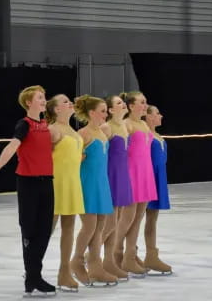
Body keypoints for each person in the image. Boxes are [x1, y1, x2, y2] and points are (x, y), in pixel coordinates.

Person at [0, 85, 56, 297]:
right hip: (28, 184)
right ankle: (33, 277)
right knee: (30, 231)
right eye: (40, 98)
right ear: (29, 103)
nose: (44, 101)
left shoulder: (45, 125)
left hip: (47, 183)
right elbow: (13, 145)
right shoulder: (24, 124)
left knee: (43, 231)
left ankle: (34, 276)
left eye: (44, 97)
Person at [70, 95, 118, 287]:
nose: (106, 114)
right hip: (87, 183)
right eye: (103, 111)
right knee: (89, 225)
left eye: (106, 110)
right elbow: (74, 162)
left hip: (101, 183)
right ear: (92, 113)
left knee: (100, 226)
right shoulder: (83, 134)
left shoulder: (101, 133)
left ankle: (95, 266)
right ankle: (76, 261)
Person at [45, 94, 85, 292]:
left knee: (69, 227)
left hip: (72, 183)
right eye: (65, 102)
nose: (70, 103)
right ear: (56, 109)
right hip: (55, 184)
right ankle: (33, 267)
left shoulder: (72, 130)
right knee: (46, 229)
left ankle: (64, 271)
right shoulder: (52, 130)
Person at [118, 91, 158, 277]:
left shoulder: (143, 124)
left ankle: (129, 257)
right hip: (132, 174)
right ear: (131, 106)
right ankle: (112, 254)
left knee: (138, 219)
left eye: (145, 102)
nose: (145, 105)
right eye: (142, 102)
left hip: (145, 173)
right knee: (127, 219)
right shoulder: (126, 125)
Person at [99, 95, 134, 282]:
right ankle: (89, 258)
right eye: (119, 103)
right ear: (111, 110)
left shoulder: (124, 126)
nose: (123, 104)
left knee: (117, 222)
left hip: (122, 176)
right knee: (110, 223)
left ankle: (109, 261)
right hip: (110, 176)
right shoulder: (107, 127)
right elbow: (96, 151)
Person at [144, 105, 172, 275]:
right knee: (129, 221)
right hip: (147, 180)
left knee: (152, 218)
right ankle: (121, 255)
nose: (161, 115)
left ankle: (151, 255)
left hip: (158, 179)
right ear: (147, 117)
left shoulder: (158, 136)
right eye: (157, 113)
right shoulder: (145, 136)